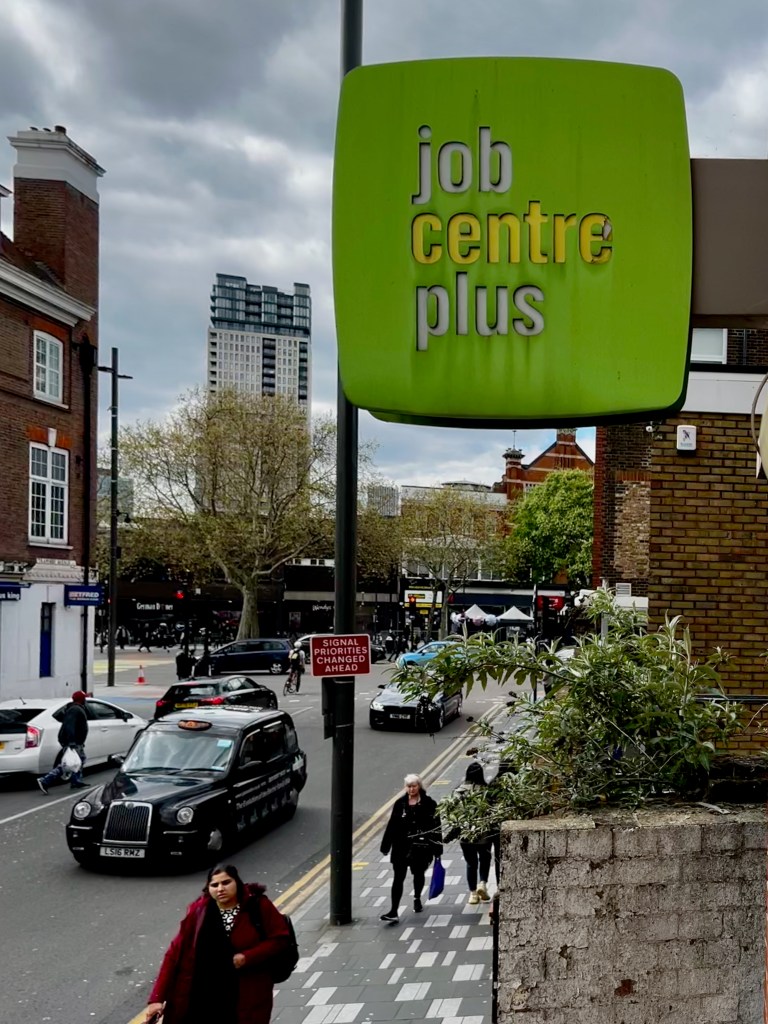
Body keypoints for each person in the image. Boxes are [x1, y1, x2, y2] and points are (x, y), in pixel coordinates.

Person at [144, 863, 290, 1024]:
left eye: (226, 882)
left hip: (245, 994)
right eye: (214, 885)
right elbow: (173, 953)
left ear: (237, 882)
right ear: (208, 888)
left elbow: (280, 939)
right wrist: (157, 998)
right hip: (204, 996)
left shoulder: (258, 906)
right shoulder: (199, 911)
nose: (220, 888)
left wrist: (248, 957)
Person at [379, 773, 442, 922]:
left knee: (418, 874)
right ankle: (394, 911)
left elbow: (436, 826)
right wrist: (385, 846)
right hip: (401, 846)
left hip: (421, 847)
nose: (411, 789)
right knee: (398, 878)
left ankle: (417, 898)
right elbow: (392, 825)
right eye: (408, 786)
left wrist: (437, 848)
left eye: (414, 786)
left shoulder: (429, 803)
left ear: (419, 786)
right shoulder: (400, 804)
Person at [450, 762, 492, 904]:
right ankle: (483, 884)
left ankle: (473, 894)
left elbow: (452, 812)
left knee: (471, 863)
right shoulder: (486, 791)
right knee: (484, 859)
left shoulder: (459, 791)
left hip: (465, 834)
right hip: (483, 833)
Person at [37, 690, 89, 793]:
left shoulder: (75, 709)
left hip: (75, 741)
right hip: (73, 741)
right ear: (81, 699)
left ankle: (76, 781)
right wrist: (71, 742)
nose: (85, 700)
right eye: (84, 698)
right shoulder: (75, 710)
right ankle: (45, 780)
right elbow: (69, 726)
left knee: (78, 760)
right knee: (68, 763)